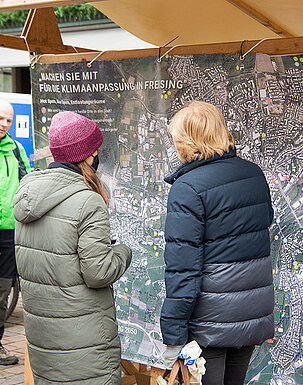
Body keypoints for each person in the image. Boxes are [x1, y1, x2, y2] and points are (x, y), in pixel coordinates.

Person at [13, 111, 132, 384]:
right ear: (87, 155)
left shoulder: (27, 195)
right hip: (84, 344)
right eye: (96, 150)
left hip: (44, 339)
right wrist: (123, 252)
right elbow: (98, 272)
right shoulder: (88, 201)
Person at [160, 101, 275, 385]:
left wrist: (174, 336)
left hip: (209, 319)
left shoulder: (187, 189)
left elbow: (182, 268)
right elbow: (265, 221)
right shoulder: (253, 174)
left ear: (187, 141)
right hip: (251, 311)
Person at [0, 99, 30, 366]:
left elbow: (27, 186)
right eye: (0, 118)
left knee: (2, 289)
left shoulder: (16, 150)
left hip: (9, 232)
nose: (4, 124)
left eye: (8, 120)